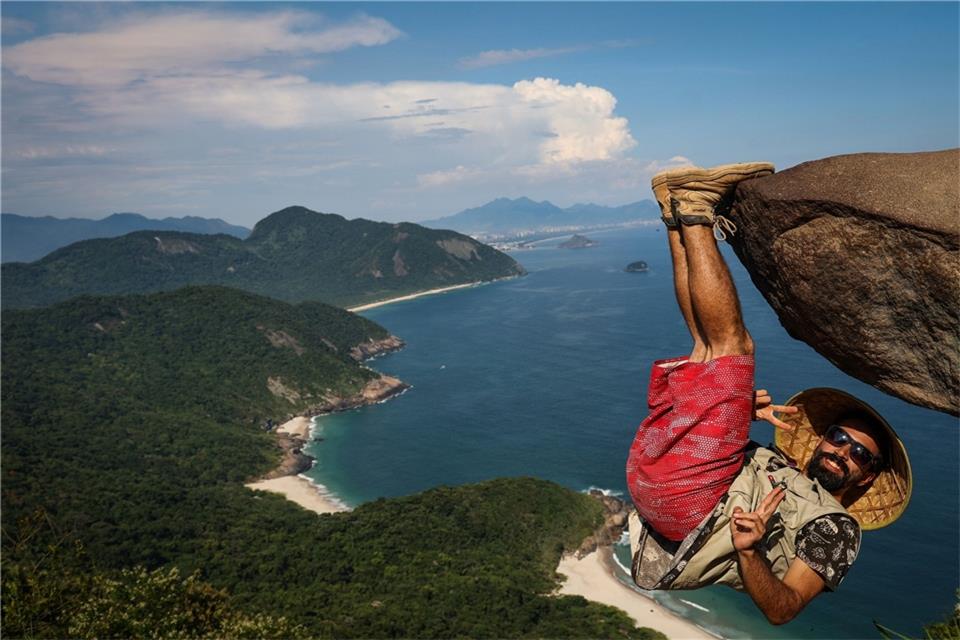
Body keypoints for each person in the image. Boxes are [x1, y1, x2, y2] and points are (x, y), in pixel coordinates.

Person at [625, 163, 912, 625]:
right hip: (657, 482)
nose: (842, 452)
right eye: (839, 438)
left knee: (734, 348)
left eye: (860, 454)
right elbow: (734, 464)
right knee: (705, 349)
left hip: (689, 500)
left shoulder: (837, 530)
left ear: (868, 477)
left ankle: (695, 207)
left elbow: (785, 608)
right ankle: (674, 212)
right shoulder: (783, 469)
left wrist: (749, 552)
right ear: (822, 440)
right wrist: (743, 414)